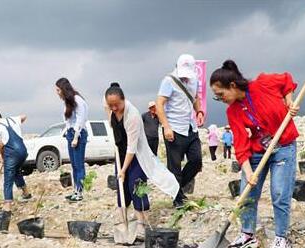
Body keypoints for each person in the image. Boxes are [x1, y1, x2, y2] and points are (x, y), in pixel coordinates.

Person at [209, 60, 299, 248]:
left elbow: (286, 80)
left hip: (283, 146)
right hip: (259, 150)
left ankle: (282, 237)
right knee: (247, 192)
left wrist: (289, 100)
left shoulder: (263, 84)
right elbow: (241, 144)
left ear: (232, 86)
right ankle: (247, 234)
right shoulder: (233, 111)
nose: (220, 99)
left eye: (220, 94)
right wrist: (248, 172)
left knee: (279, 192)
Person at [105, 83, 179, 236]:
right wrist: (121, 170)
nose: (113, 108)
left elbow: (132, 147)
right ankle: (122, 221)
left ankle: (141, 222)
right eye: (110, 105)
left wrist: (124, 169)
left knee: (138, 186)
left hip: (136, 155)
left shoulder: (133, 116)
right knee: (121, 187)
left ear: (124, 100)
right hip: (120, 153)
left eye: (116, 105)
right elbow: (107, 106)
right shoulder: (110, 109)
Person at [156, 54, 205, 208]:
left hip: (190, 127)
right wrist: (166, 127)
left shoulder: (194, 80)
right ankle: (177, 199)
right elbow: (159, 104)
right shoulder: (168, 81)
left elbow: (195, 97)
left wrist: (199, 112)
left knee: (196, 161)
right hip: (174, 129)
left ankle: (175, 188)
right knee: (174, 166)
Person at [55, 78, 89, 202]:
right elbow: (68, 121)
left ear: (64, 89)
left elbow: (81, 120)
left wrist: (75, 137)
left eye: (58, 90)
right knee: (74, 165)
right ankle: (75, 190)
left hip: (78, 135)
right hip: (71, 134)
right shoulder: (67, 102)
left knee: (79, 165)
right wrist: (66, 132)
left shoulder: (78, 101)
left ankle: (80, 192)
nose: (57, 93)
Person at [0, 114, 32, 211]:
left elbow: (0, 144)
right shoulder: (12, 121)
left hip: (12, 154)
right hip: (23, 152)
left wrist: (2, 156)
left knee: (8, 178)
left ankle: (7, 205)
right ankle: (26, 193)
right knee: (16, 171)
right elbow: (24, 116)